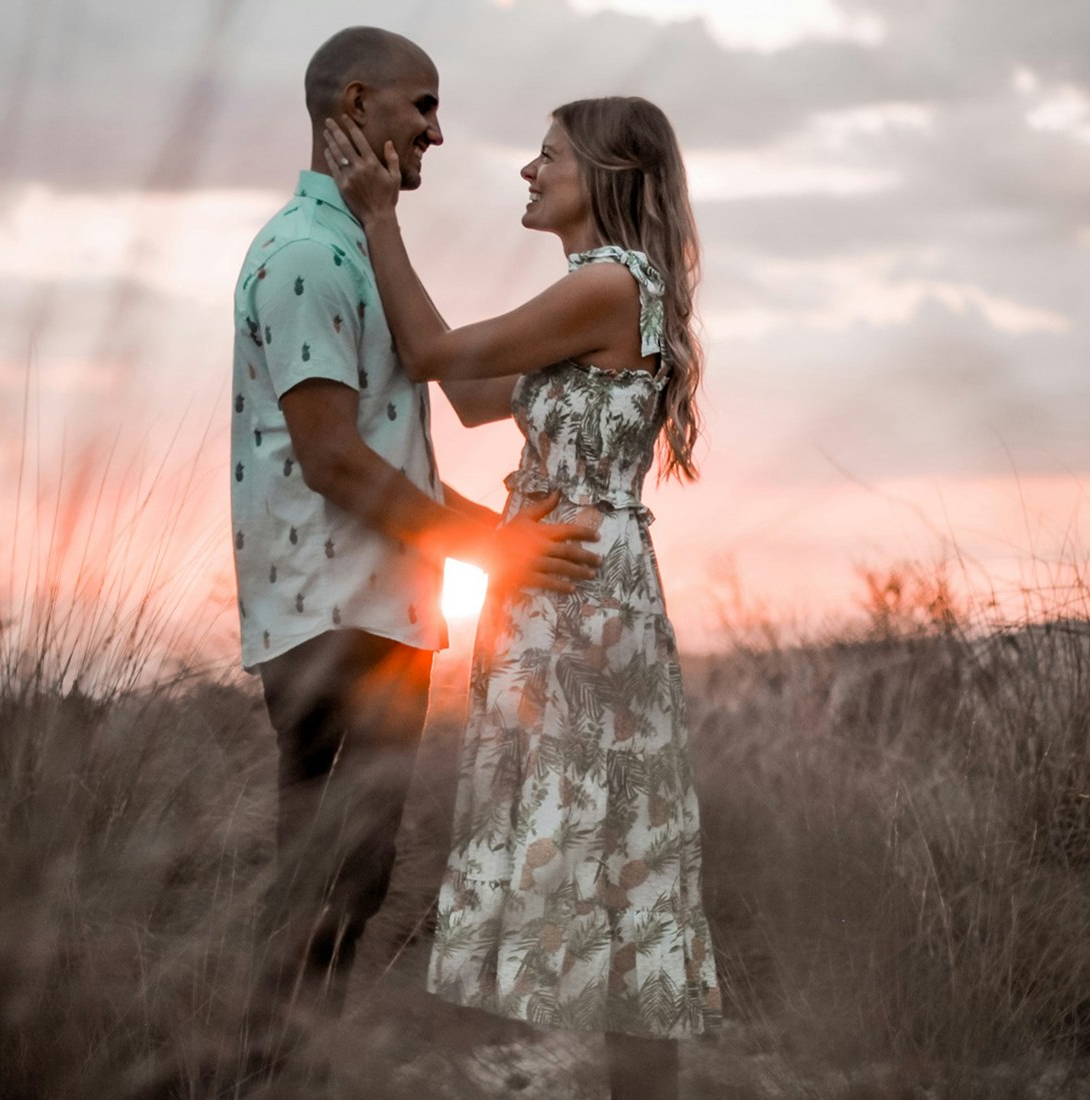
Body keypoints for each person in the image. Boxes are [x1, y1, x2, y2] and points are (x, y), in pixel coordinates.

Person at [225, 25, 603, 1094]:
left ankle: (299, 1071)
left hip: (382, 604)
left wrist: (514, 540)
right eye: (422, 106)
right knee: (326, 874)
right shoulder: (306, 255)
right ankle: (265, 1076)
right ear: (356, 103)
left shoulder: (358, 244)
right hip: (328, 611)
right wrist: (491, 547)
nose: (438, 130)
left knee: (355, 871)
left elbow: (402, 459)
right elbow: (335, 459)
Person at [323, 94, 721, 1100]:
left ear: (607, 174)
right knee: (615, 870)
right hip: (557, 595)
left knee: (622, 871)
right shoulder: (594, 297)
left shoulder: (607, 285)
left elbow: (433, 356)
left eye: (547, 156)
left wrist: (378, 217)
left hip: (584, 597)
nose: (526, 172)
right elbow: (466, 396)